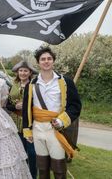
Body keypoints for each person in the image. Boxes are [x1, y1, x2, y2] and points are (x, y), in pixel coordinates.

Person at [22, 46, 82, 179]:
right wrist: (27, 130)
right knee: (42, 168)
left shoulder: (66, 82)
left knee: (59, 168)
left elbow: (75, 106)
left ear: (53, 61)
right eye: (43, 59)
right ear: (38, 63)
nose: (46, 61)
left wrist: (61, 121)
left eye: (49, 58)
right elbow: (27, 109)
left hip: (56, 130)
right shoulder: (31, 84)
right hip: (37, 129)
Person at [6, 60, 38, 179]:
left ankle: (32, 175)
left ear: (30, 73)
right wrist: (15, 106)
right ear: (17, 72)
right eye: (21, 71)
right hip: (15, 122)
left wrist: (26, 105)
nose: (23, 73)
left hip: (30, 123)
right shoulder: (13, 85)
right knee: (18, 152)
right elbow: (7, 105)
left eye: (25, 71)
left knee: (31, 153)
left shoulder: (35, 86)